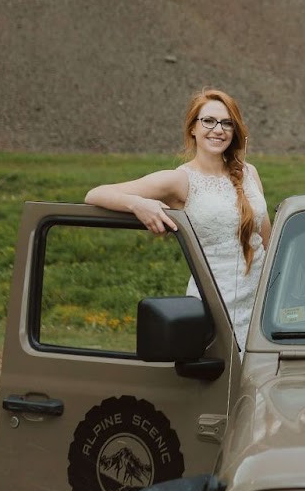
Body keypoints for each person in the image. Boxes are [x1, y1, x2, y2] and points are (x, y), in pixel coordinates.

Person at [84, 88, 270, 341]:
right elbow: (95, 194)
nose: (219, 129)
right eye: (209, 121)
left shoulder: (250, 172)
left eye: (227, 123)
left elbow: (266, 240)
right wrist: (138, 204)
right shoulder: (179, 181)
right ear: (193, 128)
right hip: (216, 305)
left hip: (263, 305)